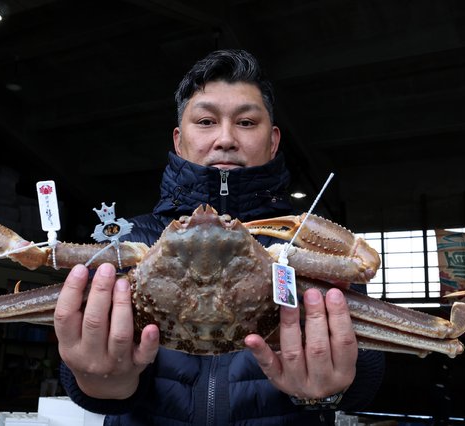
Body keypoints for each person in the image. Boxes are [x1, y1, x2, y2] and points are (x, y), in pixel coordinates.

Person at [55, 49, 384, 425]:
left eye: (245, 122)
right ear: (179, 140)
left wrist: (334, 389)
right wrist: (95, 381)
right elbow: (82, 345)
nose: (226, 138)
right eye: (207, 121)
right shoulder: (128, 241)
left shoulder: (305, 246)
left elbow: (365, 347)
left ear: (273, 140)